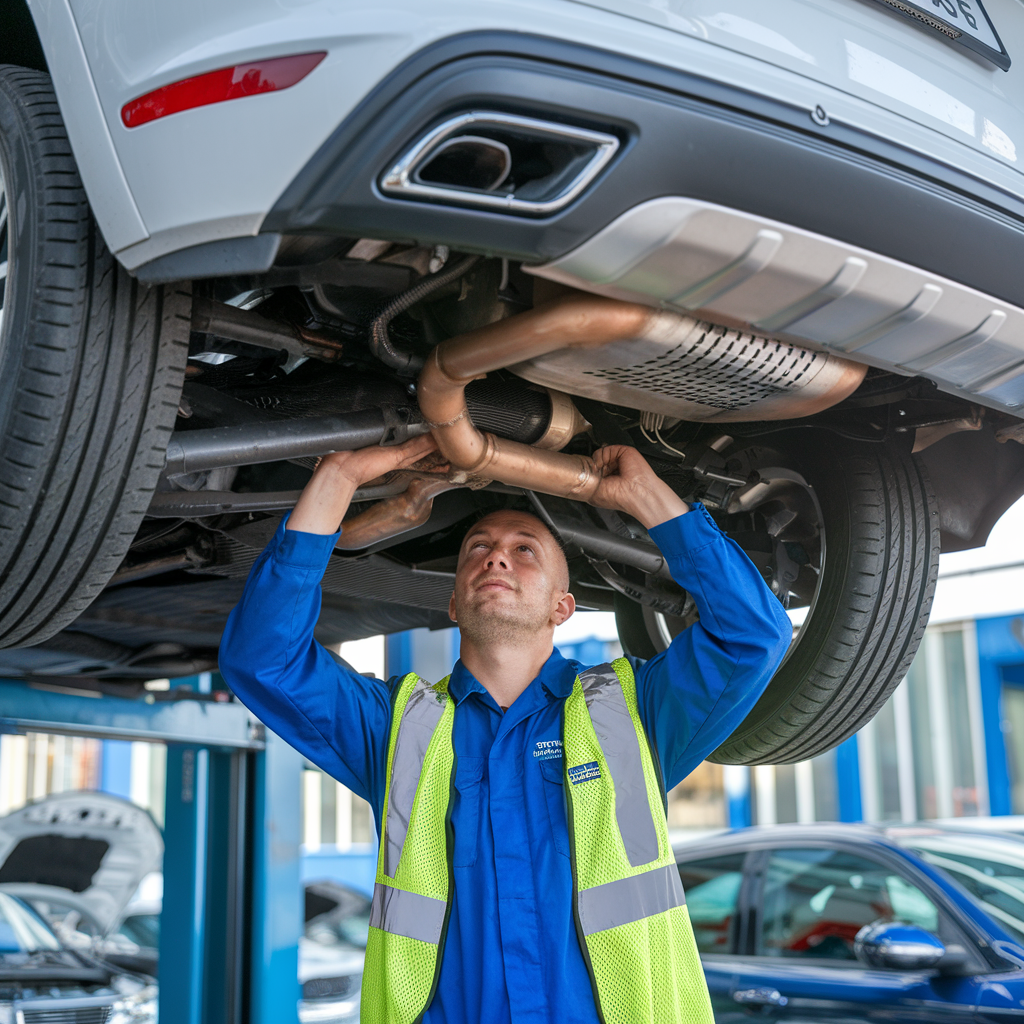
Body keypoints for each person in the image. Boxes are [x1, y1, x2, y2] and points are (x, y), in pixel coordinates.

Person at [219, 434, 792, 1024]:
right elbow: (262, 658)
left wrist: (647, 496)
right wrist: (336, 480)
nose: (496, 558)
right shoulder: (397, 730)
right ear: (453, 603)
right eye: (479, 548)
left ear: (562, 607)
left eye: (525, 550)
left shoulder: (635, 713)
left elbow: (754, 634)